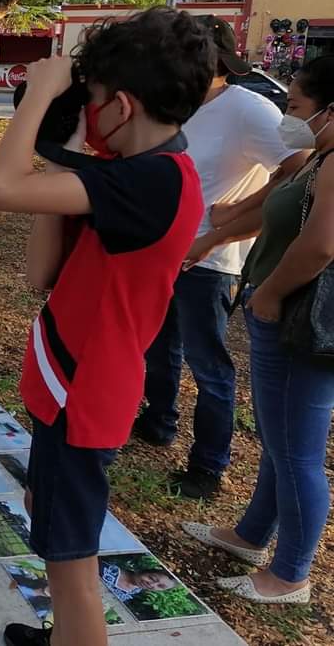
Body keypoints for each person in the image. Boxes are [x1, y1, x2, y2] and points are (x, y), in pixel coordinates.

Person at [0, 7, 211, 646]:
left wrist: (43, 94)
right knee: (47, 516)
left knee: (70, 558)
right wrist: (70, 156)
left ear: (123, 107)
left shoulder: (152, 181)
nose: (86, 107)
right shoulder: (129, 177)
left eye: (94, 98)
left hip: (85, 396)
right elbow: (39, 272)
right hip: (72, 388)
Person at [183, 55, 334, 605]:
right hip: (283, 316)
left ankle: (290, 574)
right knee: (279, 439)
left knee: (297, 452)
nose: (287, 118)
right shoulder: (321, 157)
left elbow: (320, 245)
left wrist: (267, 294)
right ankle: (251, 537)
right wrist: (216, 233)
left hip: (298, 321)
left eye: (295, 106)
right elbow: (280, 209)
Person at [136, 16, 308, 500]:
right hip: (164, 252)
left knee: (208, 365)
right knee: (159, 345)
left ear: (214, 61)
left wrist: (227, 225)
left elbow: (304, 168)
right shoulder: (179, 105)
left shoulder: (254, 109)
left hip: (211, 262)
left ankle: (208, 466)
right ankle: (158, 420)